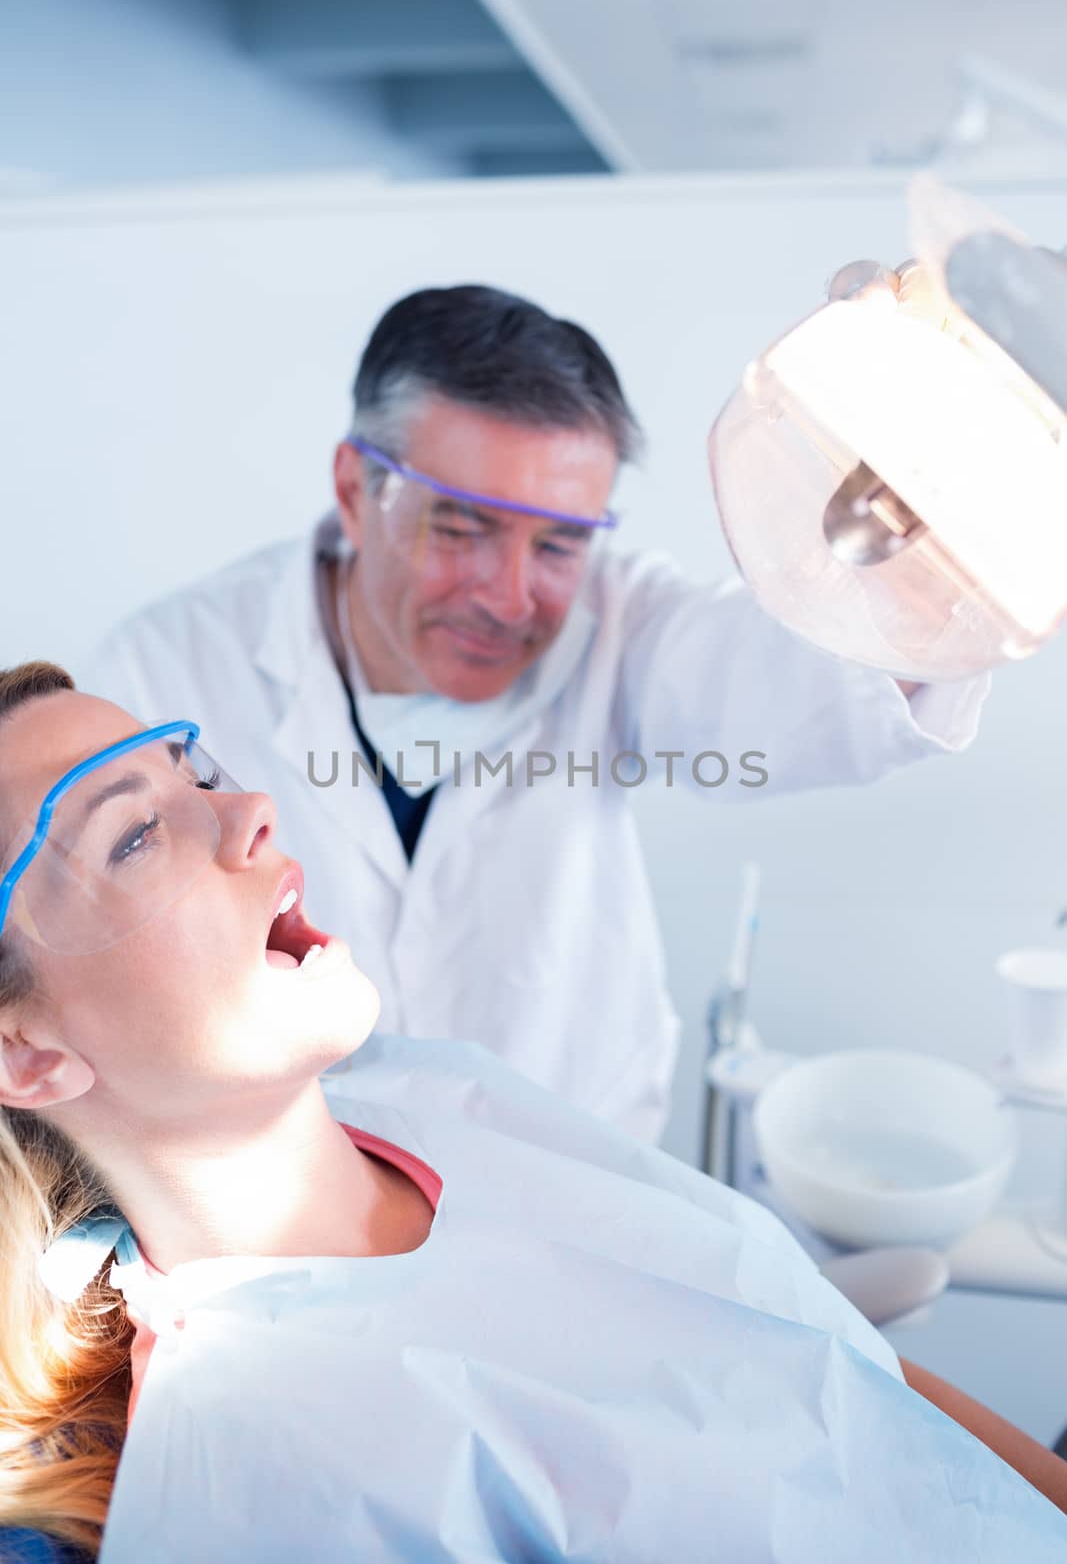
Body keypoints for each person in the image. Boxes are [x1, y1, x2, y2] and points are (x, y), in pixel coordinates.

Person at [1, 663, 1063, 1564]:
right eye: (135, 834)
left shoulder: (444, 1095)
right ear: (26, 1051)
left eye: (198, 773)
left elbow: (864, 1373)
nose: (248, 812)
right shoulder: (252, 1477)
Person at [84, 286, 988, 1142]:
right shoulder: (161, 671)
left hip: (571, 1184)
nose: (511, 599)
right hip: (273, 1212)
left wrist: (933, 526)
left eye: (557, 543)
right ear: (358, 491)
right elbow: (92, 968)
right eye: (462, 529)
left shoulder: (621, 623)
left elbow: (809, 680)